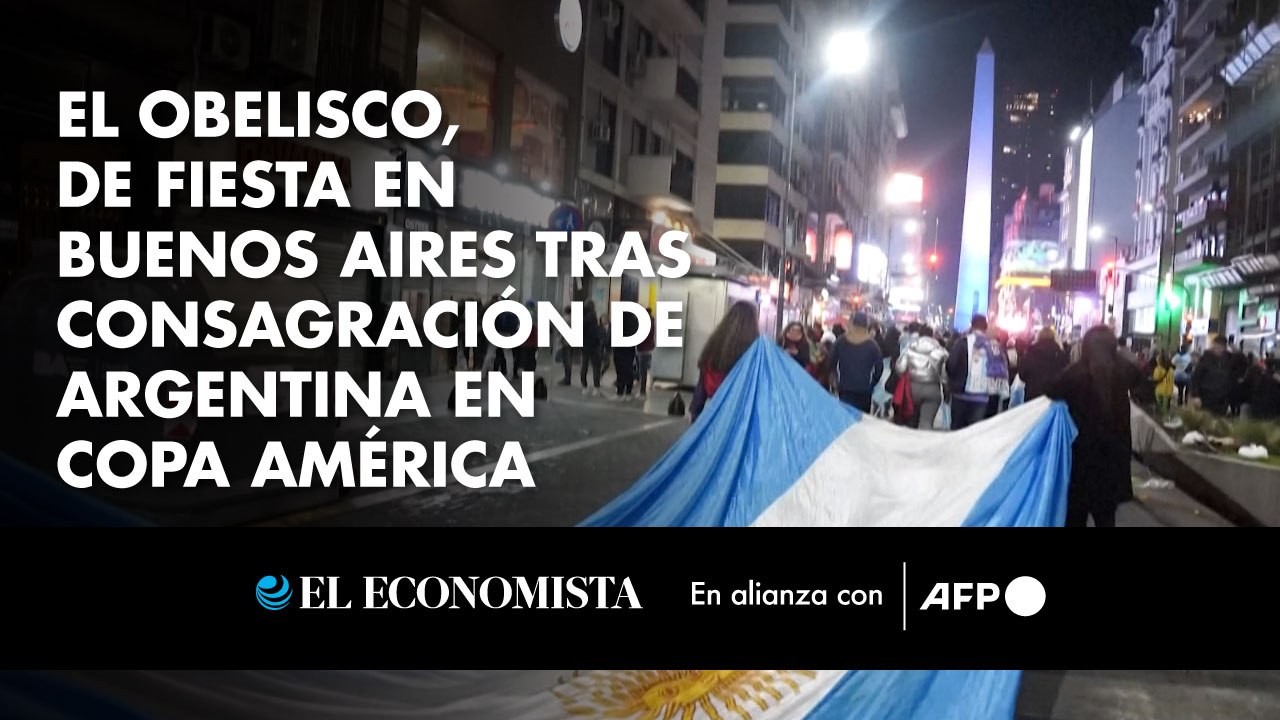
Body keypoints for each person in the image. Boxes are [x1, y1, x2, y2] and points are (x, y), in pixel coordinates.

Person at [1047, 325, 1140, 527]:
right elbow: (1145, 386)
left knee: (1075, 515)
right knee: (1106, 517)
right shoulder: (1125, 371)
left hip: (1080, 456)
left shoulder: (1073, 374)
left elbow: (1051, 394)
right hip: (1113, 458)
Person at [689, 301, 759, 421]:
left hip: (717, 406)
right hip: (742, 411)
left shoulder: (716, 342)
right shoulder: (755, 345)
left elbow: (703, 381)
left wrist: (695, 410)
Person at [946, 315, 1009, 430]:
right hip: (982, 396)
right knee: (975, 432)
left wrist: (952, 382)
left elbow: (951, 365)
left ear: (972, 326)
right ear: (985, 327)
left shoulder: (962, 342)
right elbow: (1002, 369)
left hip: (960, 394)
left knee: (957, 431)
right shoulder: (994, 346)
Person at [824, 311, 884, 412]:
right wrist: (872, 384)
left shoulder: (841, 341)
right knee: (861, 421)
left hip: (845, 388)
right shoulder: (872, 344)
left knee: (847, 418)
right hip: (864, 390)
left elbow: (830, 362)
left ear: (851, 323)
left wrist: (835, 380)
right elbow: (879, 368)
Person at [896, 325, 948, 429]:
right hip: (932, 389)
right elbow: (945, 375)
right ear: (932, 335)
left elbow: (900, 369)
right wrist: (946, 390)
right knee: (926, 423)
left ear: (919, 334)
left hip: (911, 389)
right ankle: (925, 443)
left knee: (910, 423)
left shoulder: (909, 348)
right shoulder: (941, 351)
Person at [1017, 327, 1068, 401]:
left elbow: (1022, 375)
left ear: (1039, 337)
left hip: (1033, 395)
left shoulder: (1031, 352)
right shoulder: (1061, 354)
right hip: (1053, 397)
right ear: (1054, 338)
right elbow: (1065, 376)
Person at [1190, 335, 1234, 415]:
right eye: (1214, 347)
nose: (1216, 350)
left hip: (1222, 400)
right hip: (1205, 398)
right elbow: (1195, 378)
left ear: (1224, 348)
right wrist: (1195, 395)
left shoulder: (1229, 360)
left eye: (1218, 347)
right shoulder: (1205, 360)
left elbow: (1231, 378)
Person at [611, 310, 639, 401]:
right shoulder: (634, 323)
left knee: (620, 372)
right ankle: (628, 393)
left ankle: (620, 392)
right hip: (629, 351)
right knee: (628, 371)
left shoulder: (618, 323)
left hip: (619, 350)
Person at [580, 301, 604, 396]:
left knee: (584, 366)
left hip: (584, 345)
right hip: (593, 346)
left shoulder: (583, 317)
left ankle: (584, 387)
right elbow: (595, 332)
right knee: (596, 367)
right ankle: (596, 388)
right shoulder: (593, 317)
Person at [635, 309, 656, 400]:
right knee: (643, 371)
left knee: (642, 371)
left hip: (643, 349)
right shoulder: (652, 321)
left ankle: (642, 391)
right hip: (649, 349)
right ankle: (642, 389)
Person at [1152, 351, 1175, 418]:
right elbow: (1172, 380)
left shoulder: (1158, 369)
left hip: (1159, 390)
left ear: (1159, 361)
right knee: (1165, 407)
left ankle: (1159, 418)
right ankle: (1165, 418)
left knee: (1159, 406)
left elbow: (1155, 378)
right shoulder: (1171, 370)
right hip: (1168, 391)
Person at [557, 306, 574, 386]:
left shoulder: (565, 319)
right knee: (568, 361)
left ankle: (567, 379)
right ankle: (568, 378)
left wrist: (559, 341)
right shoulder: (573, 319)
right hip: (571, 343)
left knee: (566, 361)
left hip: (565, 343)